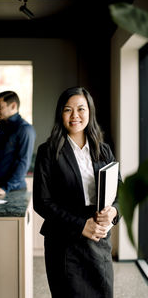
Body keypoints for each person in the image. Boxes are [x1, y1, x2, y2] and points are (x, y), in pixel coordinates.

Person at [33, 86, 122, 298]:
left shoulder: (103, 148)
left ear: (89, 112)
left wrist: (114, 212)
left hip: (98, 241)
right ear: (60, 114)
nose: (75, 116)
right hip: (64, 244)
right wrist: (82, 225)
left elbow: (119, 189)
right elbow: (42, 201)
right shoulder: (48, 152)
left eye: (81, 109)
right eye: (68, 110)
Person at [0, 91, 36, 197]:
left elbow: (23, 162)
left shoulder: (25, 129)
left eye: (0, 107)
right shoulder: (0, 128)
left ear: (13, 106)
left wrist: (6, 187)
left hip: (15, 191)